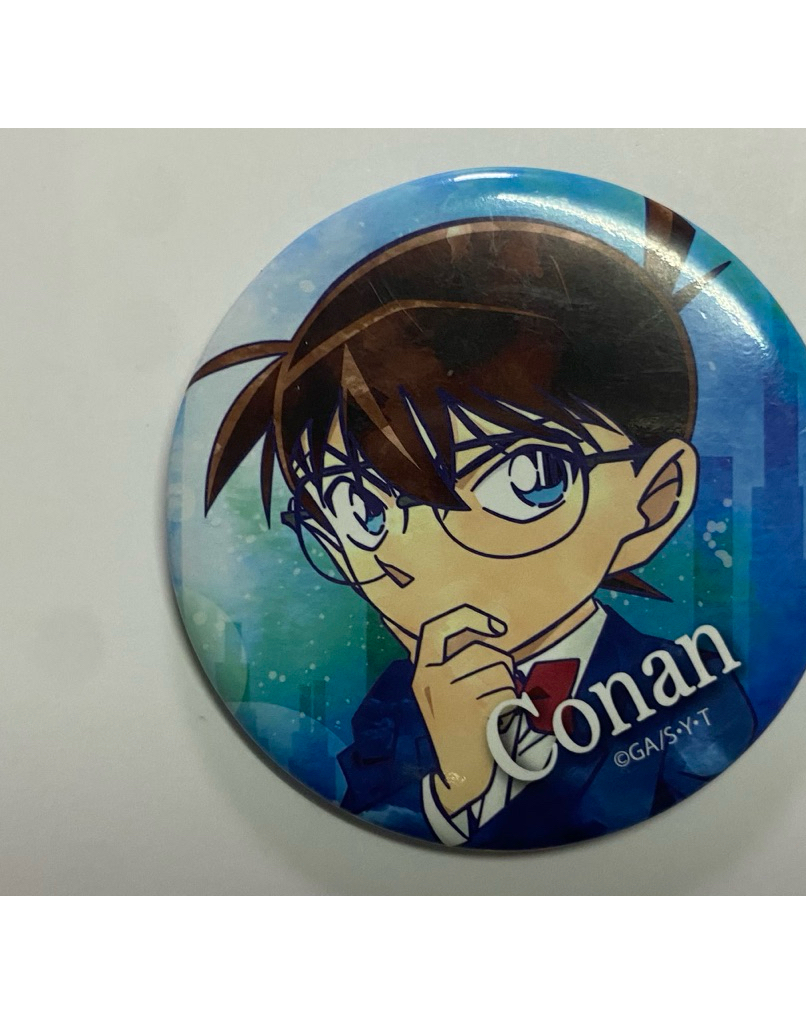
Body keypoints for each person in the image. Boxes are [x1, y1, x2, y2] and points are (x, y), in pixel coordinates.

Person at [189, 202, 756, 849]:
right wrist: (458, 791)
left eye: (524, 478)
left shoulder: (688, 694)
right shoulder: (393, 706)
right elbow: (375, 832)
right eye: (360, 511)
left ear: (653, 500)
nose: (417, 553)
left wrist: (497, 784)